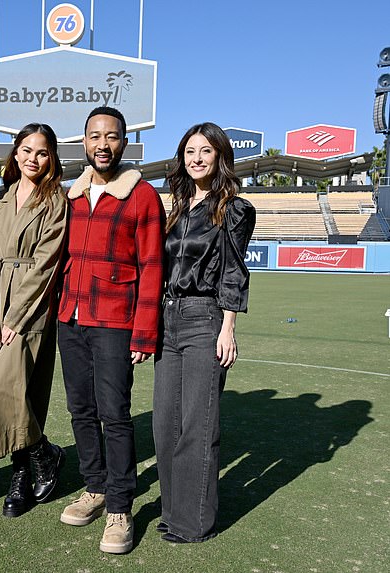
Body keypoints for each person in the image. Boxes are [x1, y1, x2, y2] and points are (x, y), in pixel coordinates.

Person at [57, 106, 165, 554]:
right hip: (70, 318)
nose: (103, 144)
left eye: (113, 136)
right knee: (80, 410)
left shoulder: (142, 197)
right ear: (84, 142)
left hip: (116, 323)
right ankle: (95, 487)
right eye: (95, 136)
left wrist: (143, 333)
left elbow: (152, 267)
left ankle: (120, 506)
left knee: (114, 414)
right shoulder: (71, 195)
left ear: (125, 142)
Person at [153, 122, 256, 543]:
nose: (196, 158)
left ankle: (193, 522)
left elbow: (234, 270)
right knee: (164, 424)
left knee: (198, 423)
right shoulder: (177, 207)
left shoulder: (233, 208)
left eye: (206, 151)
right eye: (190, 151)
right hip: (167, 320)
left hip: (205, 318)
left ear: (220, 158)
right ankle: (173, 510)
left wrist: (227, 327)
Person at [0, 123, 68, 518]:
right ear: (15, 153)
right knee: (19, 392)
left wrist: (15, 315)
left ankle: (40, 452)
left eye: (43, 152)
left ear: (51, 159)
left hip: (30, 305)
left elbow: (46, 263)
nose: (34, 158)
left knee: (3, 390)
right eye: (27, 150)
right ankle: (26, 467)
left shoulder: (56, 201)